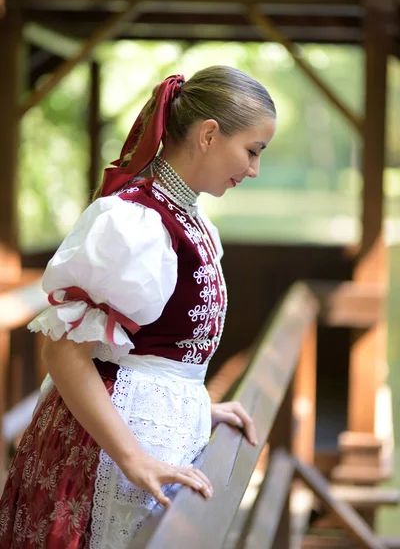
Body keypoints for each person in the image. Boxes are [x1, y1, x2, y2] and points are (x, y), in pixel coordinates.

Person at [0, 65, 276, 548]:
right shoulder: (133, 223)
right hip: (107, 453)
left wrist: (196, 408)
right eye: (252, 151)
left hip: (149, 435)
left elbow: (150, 356)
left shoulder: (186, 218)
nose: (254, 169)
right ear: (209, 134)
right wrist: (133, 458)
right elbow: (63, 353)